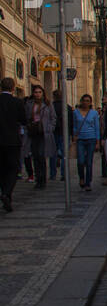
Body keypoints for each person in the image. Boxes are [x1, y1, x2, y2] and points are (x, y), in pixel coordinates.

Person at [0, 77, 26, 212]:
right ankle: (6, 192)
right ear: (13, 88)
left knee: (2, 168)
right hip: (12, 141)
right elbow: (23, 119)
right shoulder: (17, 102)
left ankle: (5, 194)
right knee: (14, 168)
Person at [23, 84, 56, 188]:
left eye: (39, 92)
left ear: (43, 93)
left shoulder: (48, 104)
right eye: (36, 92)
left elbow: (53, 117)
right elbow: (26, 117)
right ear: (33, 93)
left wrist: (50, 128)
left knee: (41, 156)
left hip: (43, 132)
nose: (37, 94)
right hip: (33, 132)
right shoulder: (29, 104)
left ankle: (42, 180)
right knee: (35, 156)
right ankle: (38, 179)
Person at [72, 94, 100, 191]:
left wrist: (97, 141)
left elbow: (97, 127)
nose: (85, 102)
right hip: (80, 139)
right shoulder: (76, 112)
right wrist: (74, 135)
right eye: (84, 100)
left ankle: (88, 182)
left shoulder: (94, 113)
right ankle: (81, 178)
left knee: (89, 162)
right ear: (81, 101)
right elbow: (74, 125)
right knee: (80, 161)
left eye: (88, 101)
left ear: (90, 102)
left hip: (91, 138)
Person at [50, 89, 74, 181]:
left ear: (54, 96)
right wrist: (72, 134)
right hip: (65, 133)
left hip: (54, 132)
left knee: (53, 154)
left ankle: (53, 174)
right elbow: (71, 122)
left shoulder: (51, 107)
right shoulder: (67, 107)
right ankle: (64, 174)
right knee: (65, 155)